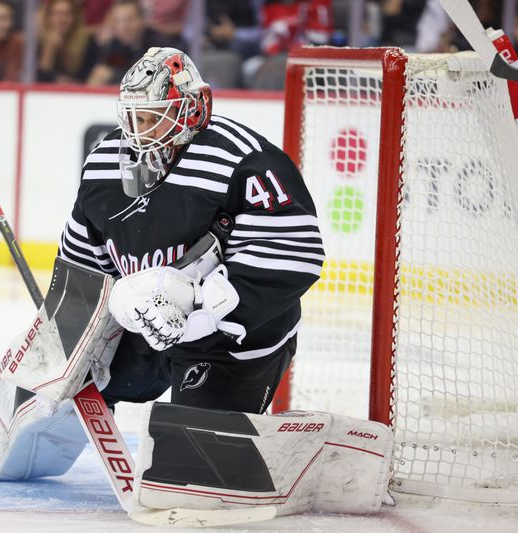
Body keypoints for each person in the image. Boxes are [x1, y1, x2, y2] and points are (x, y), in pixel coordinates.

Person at [64, 47, 324, 413]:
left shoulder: (245, 161)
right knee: (61, 384)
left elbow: (295, 254)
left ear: (193, 108)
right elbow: (80, 263)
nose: (140, 133)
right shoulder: (106, 165)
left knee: (195, 452)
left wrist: (205, 314)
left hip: (231, 336)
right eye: (135, 118)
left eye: (155, 117)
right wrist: (69, 337)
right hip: (147, 324)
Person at [86, 0, 183, 86]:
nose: (123, 27)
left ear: (143, 20)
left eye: (129, 20)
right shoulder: (113, 44)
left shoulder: (162, 46)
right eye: (117, 21)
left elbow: (167, 80)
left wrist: (114, 75)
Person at [36, 0, 100, 83]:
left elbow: (89, 78)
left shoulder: (88, 43)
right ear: (48, 17)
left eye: (67, 14)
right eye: (57, 14)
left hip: (77, 92)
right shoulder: (38, 42)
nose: (62, 19)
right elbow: (39, 79)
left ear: (75, 17)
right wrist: (49, 49)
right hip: (45, 93)